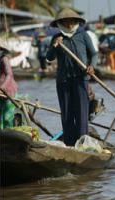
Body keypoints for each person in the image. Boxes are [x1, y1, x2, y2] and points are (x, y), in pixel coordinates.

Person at [46, 8, 97, 146]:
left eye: (72, 21)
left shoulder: (83, 36)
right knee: (67, 114)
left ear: (76, 22)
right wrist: (55, 45)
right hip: (63, 81)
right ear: (60, 23)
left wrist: (92, 66)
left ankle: (83, 144)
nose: (69, 24)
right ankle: (69, 144)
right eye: (66, 22)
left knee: (81, 114)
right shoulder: (56, 38)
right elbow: (49, 57)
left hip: (81, 79)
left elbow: (94, 54)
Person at [0, 42, 18, 129]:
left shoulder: (4, 59)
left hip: (8, 90)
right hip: (0, 91)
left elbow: (9, 74)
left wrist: (2, 87)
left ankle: (8, 133)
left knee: (7, 116)